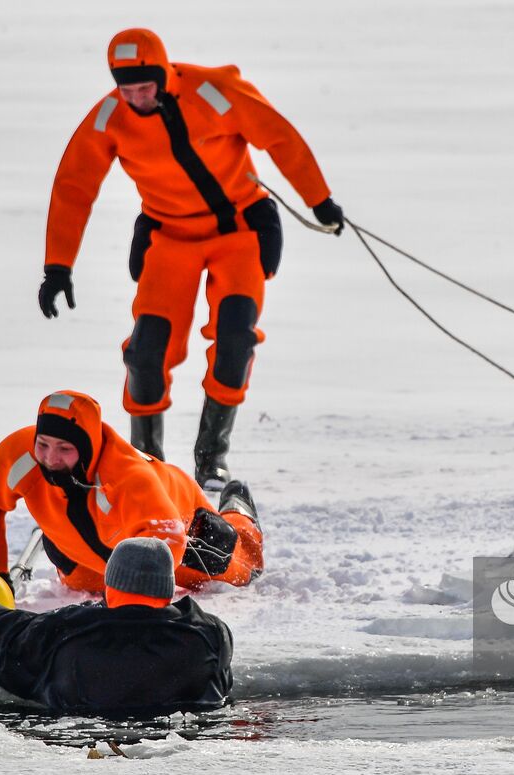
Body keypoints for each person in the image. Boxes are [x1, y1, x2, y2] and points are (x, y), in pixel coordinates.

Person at [38, 27, 345, 489]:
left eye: (145, 87)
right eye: (127, 90)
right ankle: (147, 462)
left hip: (239, 232)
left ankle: (211, 457)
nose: (136, 98)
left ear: (163, 76)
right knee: (146, 353)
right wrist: (58, 266)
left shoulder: (214, 93)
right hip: (170, 238)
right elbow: (73, 188)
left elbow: (279, 136)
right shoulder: (108, 117)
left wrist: (318, 200)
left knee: (235, 337)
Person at [0, 389, 263, 593]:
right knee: (82, 581)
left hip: (184, 539)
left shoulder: (127, 476)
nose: (50, 459)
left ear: (88, 447)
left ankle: (238, 510)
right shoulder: (22, 454)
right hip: (85, 554)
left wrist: (132, 608)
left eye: (65, 449)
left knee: (241, 568)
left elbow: (167, 537)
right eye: (43, 445)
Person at [0, 537, 233, 716]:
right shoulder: (210, 634)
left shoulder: (67, 627)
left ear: (110, 584)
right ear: (167, 590)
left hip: (83, 742)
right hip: (185, 738)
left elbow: (9, 637)